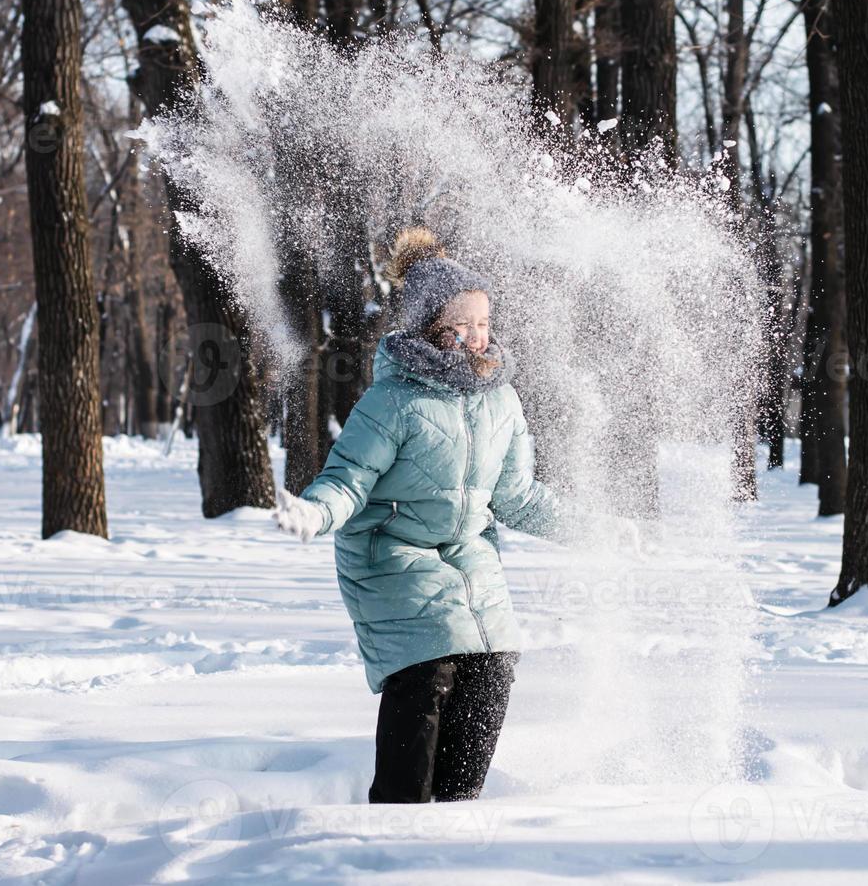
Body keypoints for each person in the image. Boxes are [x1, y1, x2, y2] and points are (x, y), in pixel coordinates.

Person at [273, 227, 640, 804]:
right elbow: (349, 480)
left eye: (484, 325)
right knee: (429, 666)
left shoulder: (502, 400)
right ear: (427, 328)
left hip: (468, 558)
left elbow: (518, 496)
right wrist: (313, 515)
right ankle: (399, 815)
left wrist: (592, 531)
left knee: (493, 666)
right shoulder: (393, 401)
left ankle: (454, 814)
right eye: (460, 327)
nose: (476, 339)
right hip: (391, 553)